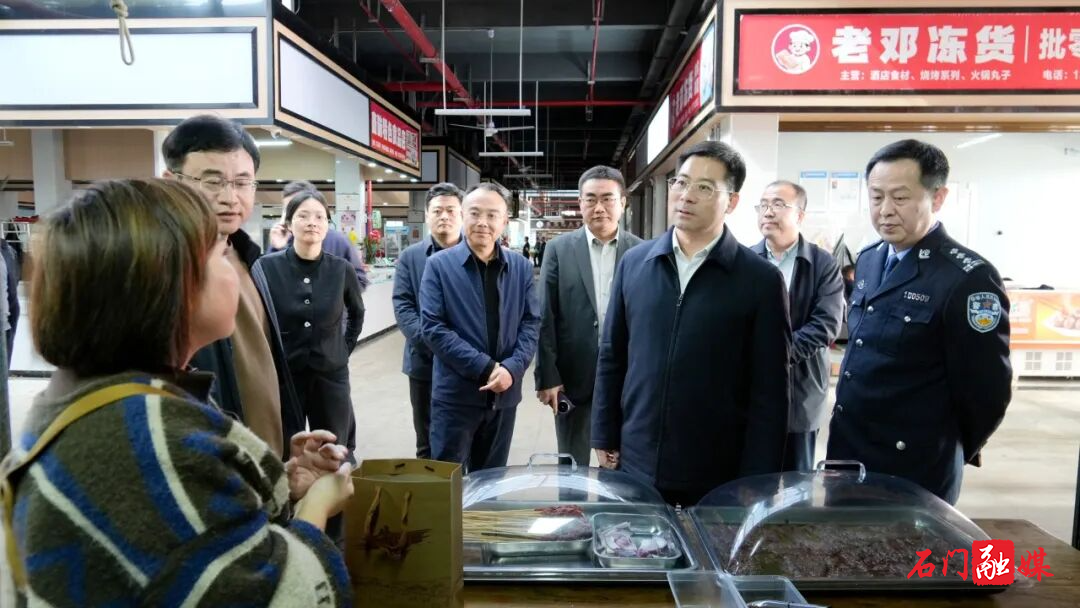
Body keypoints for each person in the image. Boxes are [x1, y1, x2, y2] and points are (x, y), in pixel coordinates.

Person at [1, 179, 353, 606]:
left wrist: (281, 480)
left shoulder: (116, 402)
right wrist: (317, 507)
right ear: (170, 287)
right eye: (221, 254)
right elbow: (282, 596)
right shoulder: (149, 444)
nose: (237, 271)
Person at [591, 140, 791, 507]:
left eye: (704, 187)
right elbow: (612, 355)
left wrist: (759, 477)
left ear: (732, 201)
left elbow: (771, 391)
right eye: (681, 183)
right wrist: (604, 434)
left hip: (715, 470)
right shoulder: (635, 264)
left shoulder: (759, 280)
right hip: (636, 459)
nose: (686, 195)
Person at [826, 139, 1012, 505]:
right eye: (876, 197)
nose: (885, 210)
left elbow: (986, 392)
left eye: (900, 197)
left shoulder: (967, 277)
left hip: (913, 466)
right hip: (848, 452)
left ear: (937, 198)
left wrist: (943, 447)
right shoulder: (869, 259)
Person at [162, 114, 303, 458]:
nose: (230, 197)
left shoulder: (249, 257)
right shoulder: (162, 271)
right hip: (210, 459)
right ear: (171, 182)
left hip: (267, 458)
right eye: (213, 181)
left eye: (242, 182)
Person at [420, 183, 540, 472]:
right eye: (474, 213)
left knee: (492, 480)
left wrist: (511, 368)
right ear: (463, 215)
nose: (482, 222)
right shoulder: (438, 265)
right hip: (455, 396)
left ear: (504, 221)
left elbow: (531, 322)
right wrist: (486, 368)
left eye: (492, 215)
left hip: (504, 395)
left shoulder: (520, 267)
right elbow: (433, 328)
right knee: (447, 479)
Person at [535, 166, 643, 467]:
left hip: (627, 377)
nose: (599, 207)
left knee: (623, 466)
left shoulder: (642, 251)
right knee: (572, 466)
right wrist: (548, 377)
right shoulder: (558, 249)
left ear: (623, 202)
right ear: (580, 203)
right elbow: (545, 316)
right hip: (572, 378)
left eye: (607, 198)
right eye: (591, 199)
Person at [255, 188, 365, 459]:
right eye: (303, 216)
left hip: (330, 374)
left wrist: (342, 349)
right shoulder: (266, 267)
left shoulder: (341, 269)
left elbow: (357, 313)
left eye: (319, 217)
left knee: (333, 448)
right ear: (289, 222)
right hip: (284, 374)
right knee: (283, 447)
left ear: (327, 225)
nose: (312, 222)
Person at [750, 180, 844, 472]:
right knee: (753, 477)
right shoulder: (746, 260)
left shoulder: (822, 263)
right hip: (752, 389)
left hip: (801, 388)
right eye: (763, 205)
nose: (768, 212)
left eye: (778, 204)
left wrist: (776, 354)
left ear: (800, 215)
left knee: (797, 479)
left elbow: (826, 324)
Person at [393, 182, 464, 459]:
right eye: (437, 211)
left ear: (462, 214)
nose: (444, 216)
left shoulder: (475, 253)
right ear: (426, 215)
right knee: (426, 439)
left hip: (467, 365)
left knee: (463, 437)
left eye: (451, 210)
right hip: (423, 362)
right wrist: (434, 343)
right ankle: (430, 485)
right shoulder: (410, 257)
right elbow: (403, 305)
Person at [270, 180, 370, 291]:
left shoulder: (339, 242)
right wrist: (277, 248)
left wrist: (333, 295)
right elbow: (267, 283)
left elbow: (360, 281)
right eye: (287, 209)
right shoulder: (280, 242)